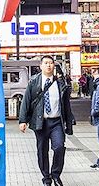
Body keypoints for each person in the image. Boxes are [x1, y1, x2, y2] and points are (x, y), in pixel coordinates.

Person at [18, 55, 74, 186]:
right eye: (46, 63)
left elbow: (66, 105)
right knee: (42, 151)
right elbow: (26, 101)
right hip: (41, 122)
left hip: (56, 122)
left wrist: (69, 122)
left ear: (54, 66)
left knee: (59, 147)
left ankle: (56, 175)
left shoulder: (60, 83)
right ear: (41, 66)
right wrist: (23, 120)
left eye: (51, 63)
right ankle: (46, 178)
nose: (49, 65)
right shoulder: (34, 81)